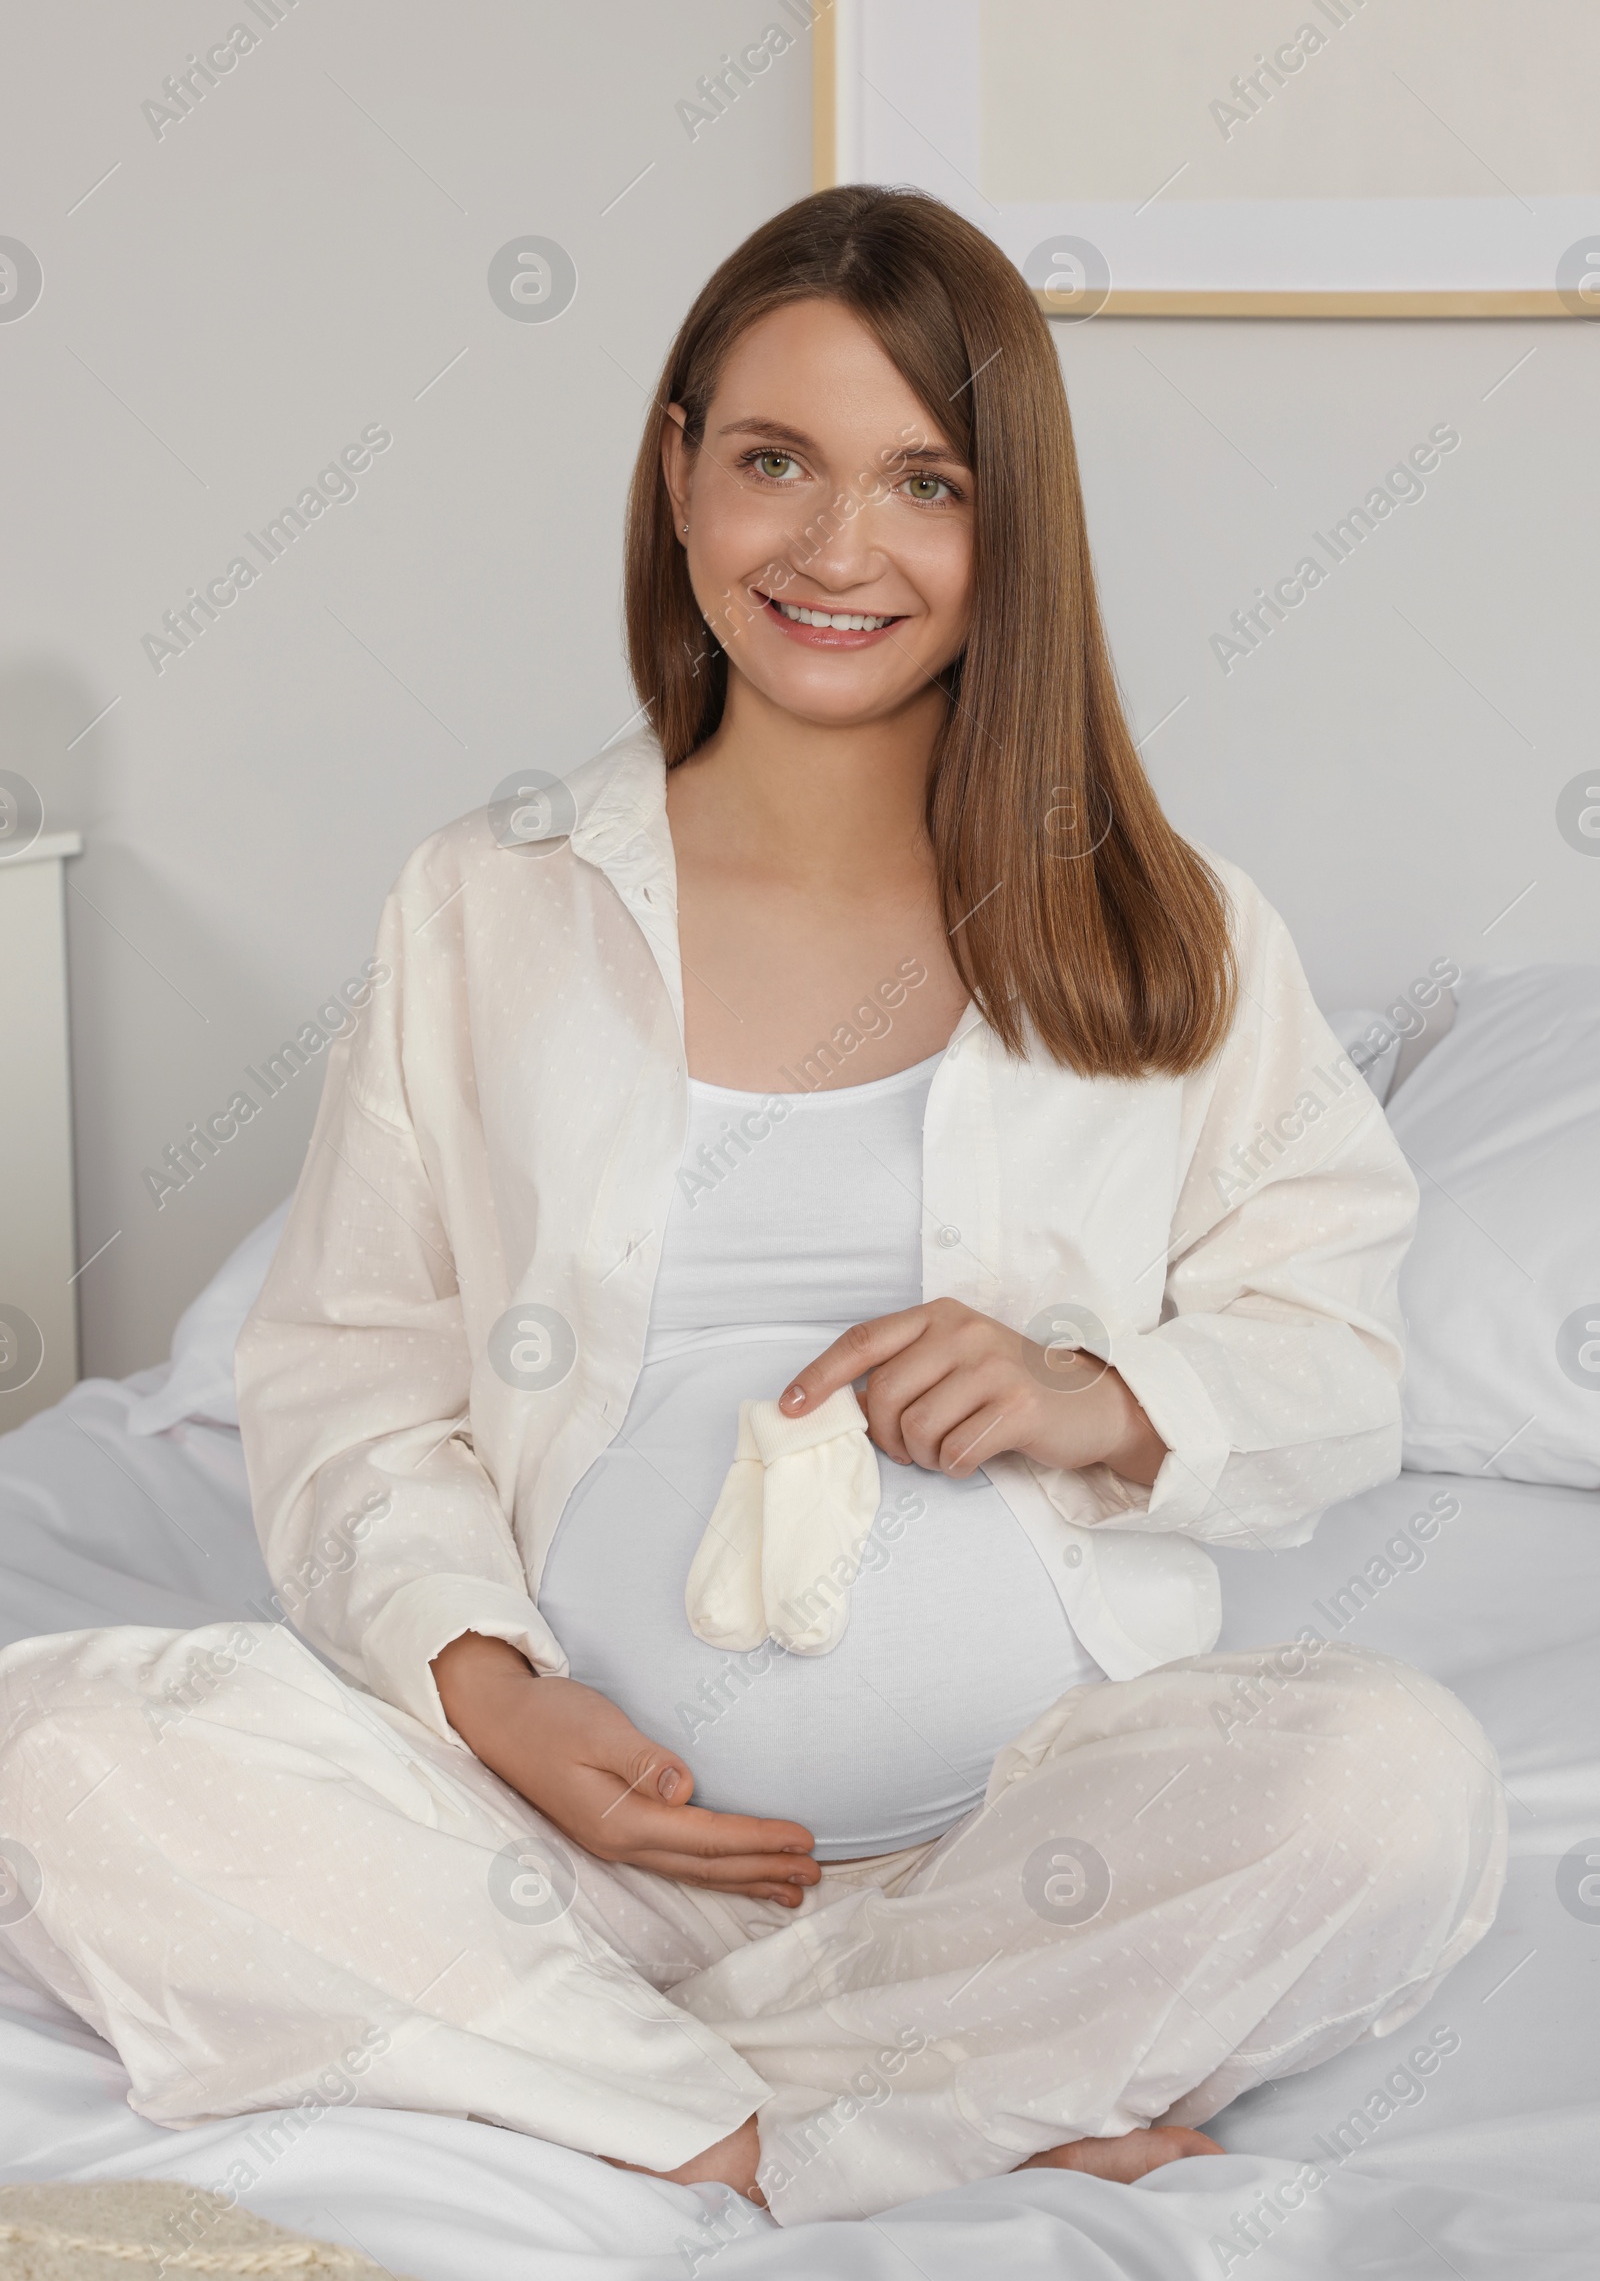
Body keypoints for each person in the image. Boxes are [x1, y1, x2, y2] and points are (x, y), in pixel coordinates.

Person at [0, 187, 1505, 2228]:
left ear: (1007, 534)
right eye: (774, 461)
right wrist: (486, 1688)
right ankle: (844, 2118)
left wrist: (1084, 1391)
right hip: (555, 1856)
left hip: (1009, 1861)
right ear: (678, 474)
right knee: (57, 1740)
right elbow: (353, 1370)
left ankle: (666, 2101)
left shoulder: (1165, 929)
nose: (832, 547)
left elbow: (1327, 1365)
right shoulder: (492, 898)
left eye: (922, 483)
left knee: (1387, 1783)